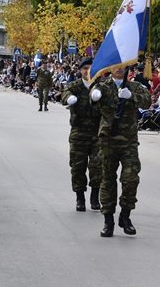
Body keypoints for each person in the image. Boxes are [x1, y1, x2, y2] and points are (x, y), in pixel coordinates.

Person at [91, 66, 150, 237]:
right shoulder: (103, 86)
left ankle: (125, 216)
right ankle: (108, 220)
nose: (119, 69)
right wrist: (94, 97)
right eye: (116, 66)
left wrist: (132, 96)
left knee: (131, 179)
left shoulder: (134, 87)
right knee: (107, 180)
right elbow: (92, 99)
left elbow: (146, 101)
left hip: (129, 141)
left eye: (122, 66)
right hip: (107, 140)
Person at [62, 58, 102, 212]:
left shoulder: (101, 86)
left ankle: (95, 196)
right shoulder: (75, 86)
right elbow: (65, 93)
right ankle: (80, 197)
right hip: (79, 132)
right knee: (78, 167)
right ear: (80, 70)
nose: (87, 71)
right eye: (84, 68)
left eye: (90, 68)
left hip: (97, 133)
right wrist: (69, 99)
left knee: (97, 166)